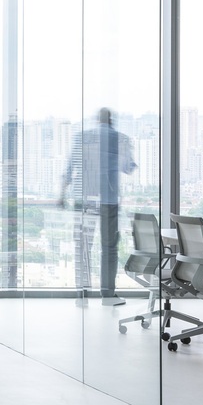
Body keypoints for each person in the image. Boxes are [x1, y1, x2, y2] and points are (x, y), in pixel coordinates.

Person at [59, 107, 136, 303]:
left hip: (83, 199)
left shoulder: (82, 138)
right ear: (111, 120)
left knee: (83, 247)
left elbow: (69, 169)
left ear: (97, 119)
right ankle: (107, 295)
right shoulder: (121, 138)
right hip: (108, 199)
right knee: (109, 248)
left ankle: (82, 294)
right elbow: (128, 168)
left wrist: (61, 196)